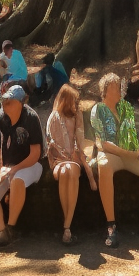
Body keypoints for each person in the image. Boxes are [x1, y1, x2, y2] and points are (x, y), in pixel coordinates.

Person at [91, 72, 139, 247]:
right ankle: (111, 225)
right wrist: (127, 153)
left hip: (128, 155)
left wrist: (138, 149)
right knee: (104, 165)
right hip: (110, 154)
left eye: (120, 87)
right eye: (116, 87)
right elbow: (102, 142)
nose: (120, 90)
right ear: (106, 90)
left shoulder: (126, 107)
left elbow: (132, 136)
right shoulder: (98, 109)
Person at [0, 83, 43, 248]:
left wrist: (13, 170)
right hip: (8, 167)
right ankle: (3, 231)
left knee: (17, 179)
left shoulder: (31, 117)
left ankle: (11, 227)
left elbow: (35, 154)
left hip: (32, 165)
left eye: (9, 101)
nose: (4, 105)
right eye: (4, 101)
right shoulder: (0, 117)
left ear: (20, 103)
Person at [46, 83, 96, 244]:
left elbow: (80, 140)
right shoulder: (54, 117)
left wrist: (76, 154)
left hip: (73, 159)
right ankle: (67, 226)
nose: (75, 104)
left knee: (71, 170)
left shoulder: (76, 116)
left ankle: (66, 226)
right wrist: (63, 155)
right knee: (64, 171)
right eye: (73, 100)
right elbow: (50, 141)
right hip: (59, 160)